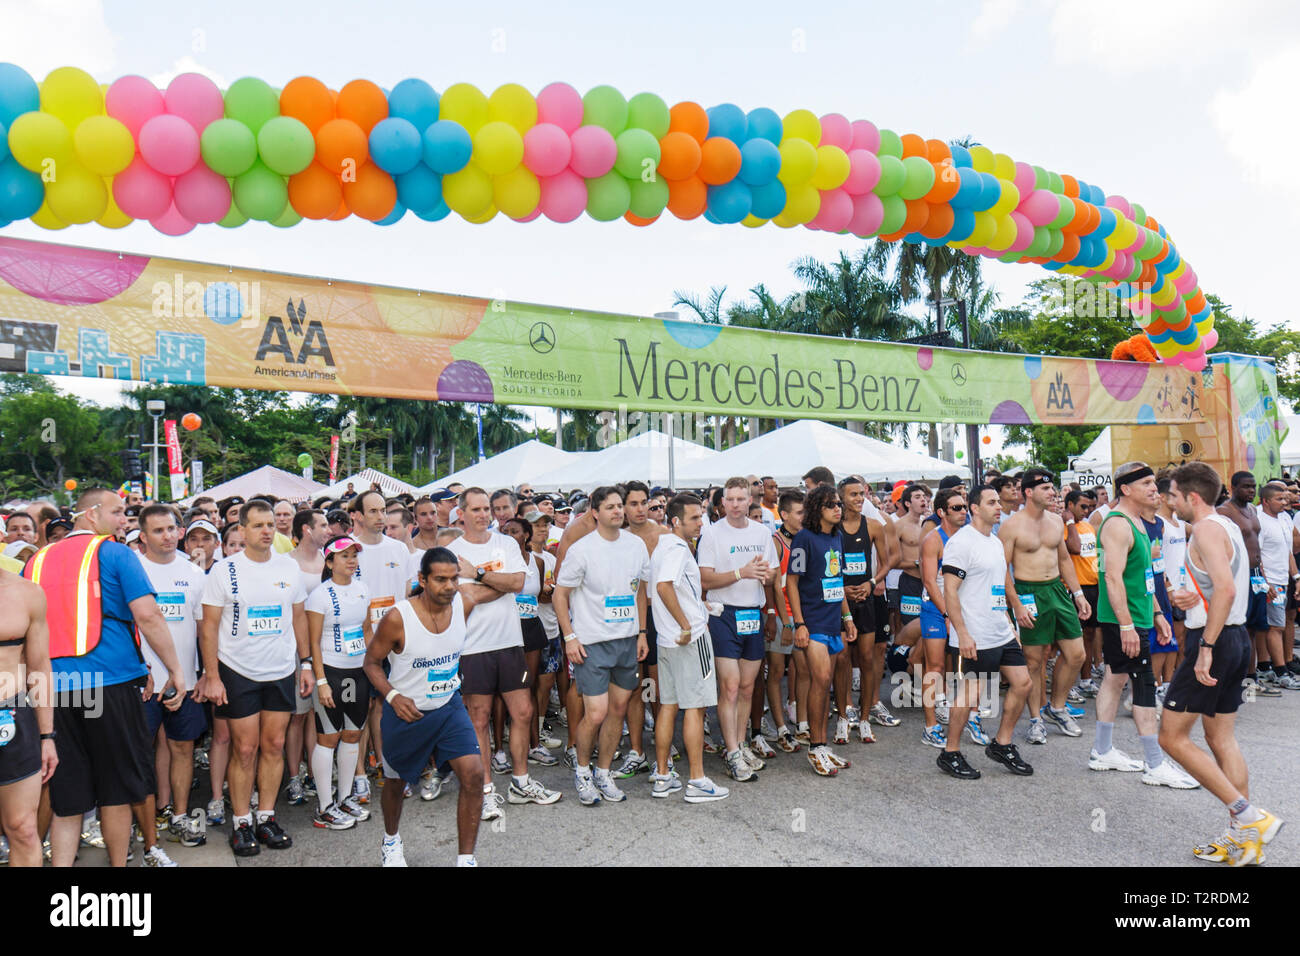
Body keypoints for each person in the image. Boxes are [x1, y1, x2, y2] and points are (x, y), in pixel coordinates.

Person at [23, 488, 187, 867]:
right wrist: (174, 669)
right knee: (116, 792)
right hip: (110, 684)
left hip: (54, 693)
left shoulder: (37, 561)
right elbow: (147, 616)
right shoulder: (115, 553)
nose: (124, 521)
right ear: (91, 514)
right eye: (117, 512)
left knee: (68, 798)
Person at [1161, 462, 1283, 865]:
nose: (1170, 500)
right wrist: (1188, 598)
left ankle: (1248, 816)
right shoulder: (1227, 526)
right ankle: (1243, 840)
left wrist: (1206, 647)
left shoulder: (1210, 529)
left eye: (1174, 494)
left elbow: (1227, 590)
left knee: (1171, 738)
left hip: (1214, 641)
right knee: (1220, 739)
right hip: (1232, 639)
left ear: (1192, 497)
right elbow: (1219, 585)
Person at [196, 499, 313, 857]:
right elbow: (209, 627)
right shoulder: (225, 571)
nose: (266, 530)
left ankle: (267, 816)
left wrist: (305, 664)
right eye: (258, 525)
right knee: (244, 749)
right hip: (238, 671)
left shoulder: (288, 567)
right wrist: (212, 675)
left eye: (270, 525)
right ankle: (242, 822)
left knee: (274, 746)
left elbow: (298, 618)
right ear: (242, 530)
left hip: (280, 669)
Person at [365, 548, 495, 866]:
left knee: (474, 775)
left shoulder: (463, 601)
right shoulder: (398, 618)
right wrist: (393, 697)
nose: (449, 586)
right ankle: (391, 840)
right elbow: (371, 663)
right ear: (422, 579)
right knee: (396, 784)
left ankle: (466, 859)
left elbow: (516, 585)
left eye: (454, 578)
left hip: (449, 706)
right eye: (440, 580)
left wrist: (478, 574)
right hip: (407, 711)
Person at [447, 489, 560, 818]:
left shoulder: (507, 544)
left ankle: (520, 782)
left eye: (488, 509)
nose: (484, 515)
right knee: (478, 719)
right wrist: (497, 583)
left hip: (511, 642)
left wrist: (480, 575)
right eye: (477, 509)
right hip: (473, 646)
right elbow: (467, 596)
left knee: (523, 712)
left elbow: (518, 584)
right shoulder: (453, 551)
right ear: (462, 513)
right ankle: (485, 791)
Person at [1089, 463, 1198, 788]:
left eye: (1154, 482)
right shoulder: (1117, 525)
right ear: (1125, 488)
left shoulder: (1138, 522)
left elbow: (1144, 576)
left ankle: (1102, 750)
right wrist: (1126, 625)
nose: (1154, 488)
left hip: (1138, 615)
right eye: (1146, 483)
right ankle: (1154, 764)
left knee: (1115, 678)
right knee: (1144, 683)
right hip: (1123, 620)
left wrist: (1158, 614)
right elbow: (1112, 577)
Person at [553, 486, 650, 805]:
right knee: (596, 713)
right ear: (594, 512)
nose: (618, 511)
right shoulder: (582, 550)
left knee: (618, 710)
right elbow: (560, 595)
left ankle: (603, 772)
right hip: (591, 643)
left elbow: (640, 591)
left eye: (620, 506)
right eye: (610, 507)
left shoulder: (636, 545)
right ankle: (582, 771)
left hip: (626, 642)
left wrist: (642, 632)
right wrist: (569, 637)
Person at [938, 484, 1035, 779]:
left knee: (1023, 683)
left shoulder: (994, 541)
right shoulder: (961, 543)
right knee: (970, 694)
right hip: (974, 633)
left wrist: (1012, 612)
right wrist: (963, 633)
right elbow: (950, 592)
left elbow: (1001, 579)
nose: (998, 506)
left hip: (999, 630)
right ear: (974, 508)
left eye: (998, 502)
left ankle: (1002, 744)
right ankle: (950, 753)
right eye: (991, 502)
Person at [136, 504, 209, 848]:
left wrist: (207, 673)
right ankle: (145, 822)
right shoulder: (132, 570)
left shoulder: (194, 574)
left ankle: (179, 815)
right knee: (141, 751)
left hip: (186, 682)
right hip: (142, 683)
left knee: (182, 748)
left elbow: (203, 630)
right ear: (143, 536)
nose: (167, 536)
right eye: (158, 530)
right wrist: (142, 669)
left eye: (171, 529)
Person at [999, 468, 1090, 743]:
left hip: (1056, 590)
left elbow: (1063, 560)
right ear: (1029, 492)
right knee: (1034, 661)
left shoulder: (1055, 521)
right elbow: (1001, 569)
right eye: (1046, 489)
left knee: (1076, 654)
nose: (1052, 493)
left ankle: (1057, 707)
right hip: (1028, 592)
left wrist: (1078, 594)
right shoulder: (1011, 526)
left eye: (1052, 489)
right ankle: (1036, 719)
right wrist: (1016, 605)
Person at [650, 493, 730, 802]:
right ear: (675, 521)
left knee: (669, 706)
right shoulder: (677, 548)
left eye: (702, 516)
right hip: (687, 639)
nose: (701, 522)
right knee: (695, 708)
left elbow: (668, 588)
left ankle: (662, 776)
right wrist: (686, 623)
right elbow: (663, 586)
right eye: (695, 518)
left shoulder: (663, 547)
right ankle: (696, 781)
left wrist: (699, 606)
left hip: (668, 640)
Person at [697, 477, 778, 782]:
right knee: (730, 687)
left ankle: (741, 744)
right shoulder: (711, 534)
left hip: (752, 615)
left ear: (749, 500)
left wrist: (763, 574)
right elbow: (705, 580)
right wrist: (740, 572)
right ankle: (731, 752)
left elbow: (771, 574)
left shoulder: (762, 532)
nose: (734, 505)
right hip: (722, 615)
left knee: (747, 687)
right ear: (722, 503)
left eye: (740, 499)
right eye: (729, 499)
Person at [785, 483, 856, 777]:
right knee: (821, 678)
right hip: (812, 622)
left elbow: (836, 582)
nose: (838, 508)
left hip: (832, 621)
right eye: (831, 505)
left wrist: (848, 617)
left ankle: (822, 744)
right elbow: (791, 582)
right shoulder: (804, 538)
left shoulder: (836, 537)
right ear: (818, 509)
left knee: (826, 683)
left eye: (838, 503)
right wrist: (798, 623)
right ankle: (815, 746)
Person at [306, 535, 375, 829]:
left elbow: (367, 630)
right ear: (330, 562)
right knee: (328, 737)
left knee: (352, 735)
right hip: (331, 671)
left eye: (354, 555)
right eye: (344, 556)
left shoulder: (363, 589)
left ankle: (345, 797)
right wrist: (321, 681)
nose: (350, 560)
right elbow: (313, 642)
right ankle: (324, 807)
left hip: (358, 671)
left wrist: (372, 667)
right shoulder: (320, 595)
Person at [918, 488, 989, 748]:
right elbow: (929, 581)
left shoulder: (973, 538)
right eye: (957, 508)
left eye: (964, 507)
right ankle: (931, 726)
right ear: (941, 512)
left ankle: (973, 716)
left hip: (965, 607)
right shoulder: (932, 540)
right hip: (936, 608)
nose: (963, 512)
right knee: (934, 667)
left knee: (973, 664)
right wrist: (947, 613)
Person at [0, 558, 57, 866]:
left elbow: (39, 668)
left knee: (22, 828)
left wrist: (47, 735)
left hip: (13, 717)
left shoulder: (26, 593)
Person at [614, 482, 670, 779]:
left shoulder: (663, 535)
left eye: (642, 502)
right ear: (623, 506)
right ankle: (637, 752)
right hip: (627, 619)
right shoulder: (617, 538)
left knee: (659, 688)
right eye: (632, 503)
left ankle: (664, 748)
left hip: (659, 617)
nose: (638, 509)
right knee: (634, 688)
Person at [836, 476, 894, 743]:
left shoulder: (872, 526)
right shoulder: (832, 528)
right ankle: (845, 711)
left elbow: (888, 560)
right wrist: (841, 589)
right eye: (853, 495)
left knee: (868, 658)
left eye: (862, 493)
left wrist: (873, 582)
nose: (859, 499)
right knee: (843, 659)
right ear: (841, 498)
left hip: (866, 599)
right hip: (840, 600)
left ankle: (864, 716)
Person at [1217, 472, 1281, 696]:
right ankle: (1231, 678)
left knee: (1254, 629)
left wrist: (1263, 579)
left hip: (1255, 576)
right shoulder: (1224, 512)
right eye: (1246, 487)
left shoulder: (1253, 510)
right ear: (1232, 487)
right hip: (1238, 575)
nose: (1251, 491)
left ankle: (1250, 678)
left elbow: (1257, 549)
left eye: (1254, 486)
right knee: (1237, 628)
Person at [767, 490, 805, 753]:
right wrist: (785, 622)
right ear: (785, 514)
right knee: (777, 672)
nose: (805, 517)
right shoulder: (776, 542)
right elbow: (774, 586)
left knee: (804, 670)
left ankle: (802, 723)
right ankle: (781, 727)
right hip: (783, 616)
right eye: (800, 512)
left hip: (802, 614)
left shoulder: (805, 540)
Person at [1255, 483, 1300, 689]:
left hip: (1283, 579)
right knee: (1276, 626)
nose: (1285, 502)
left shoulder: (1284, 518)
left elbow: (1289, 552)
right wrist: (1264, 582)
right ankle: (1281, 672)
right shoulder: (1259, 520)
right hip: (1270, 581)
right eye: (1279, 499)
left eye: (1285, 498)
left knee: (1272, 626)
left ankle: (1266, 668)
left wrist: (1297, 578)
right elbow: (1258, 556)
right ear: (1266, 501)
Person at [1065, 490, 1102, 697]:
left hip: (1093, 585)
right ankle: (1068, 683)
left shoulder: (1088, 525)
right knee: (1073, 639)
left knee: (1089, 634)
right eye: (1082, 507)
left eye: (1089, 507)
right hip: (1075, 588)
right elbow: (1075, 548)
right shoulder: (1065, 528)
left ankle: (1086, 680)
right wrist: (1070, 523)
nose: (1087, 511)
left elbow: (1096, 554)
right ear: (1070, 505)